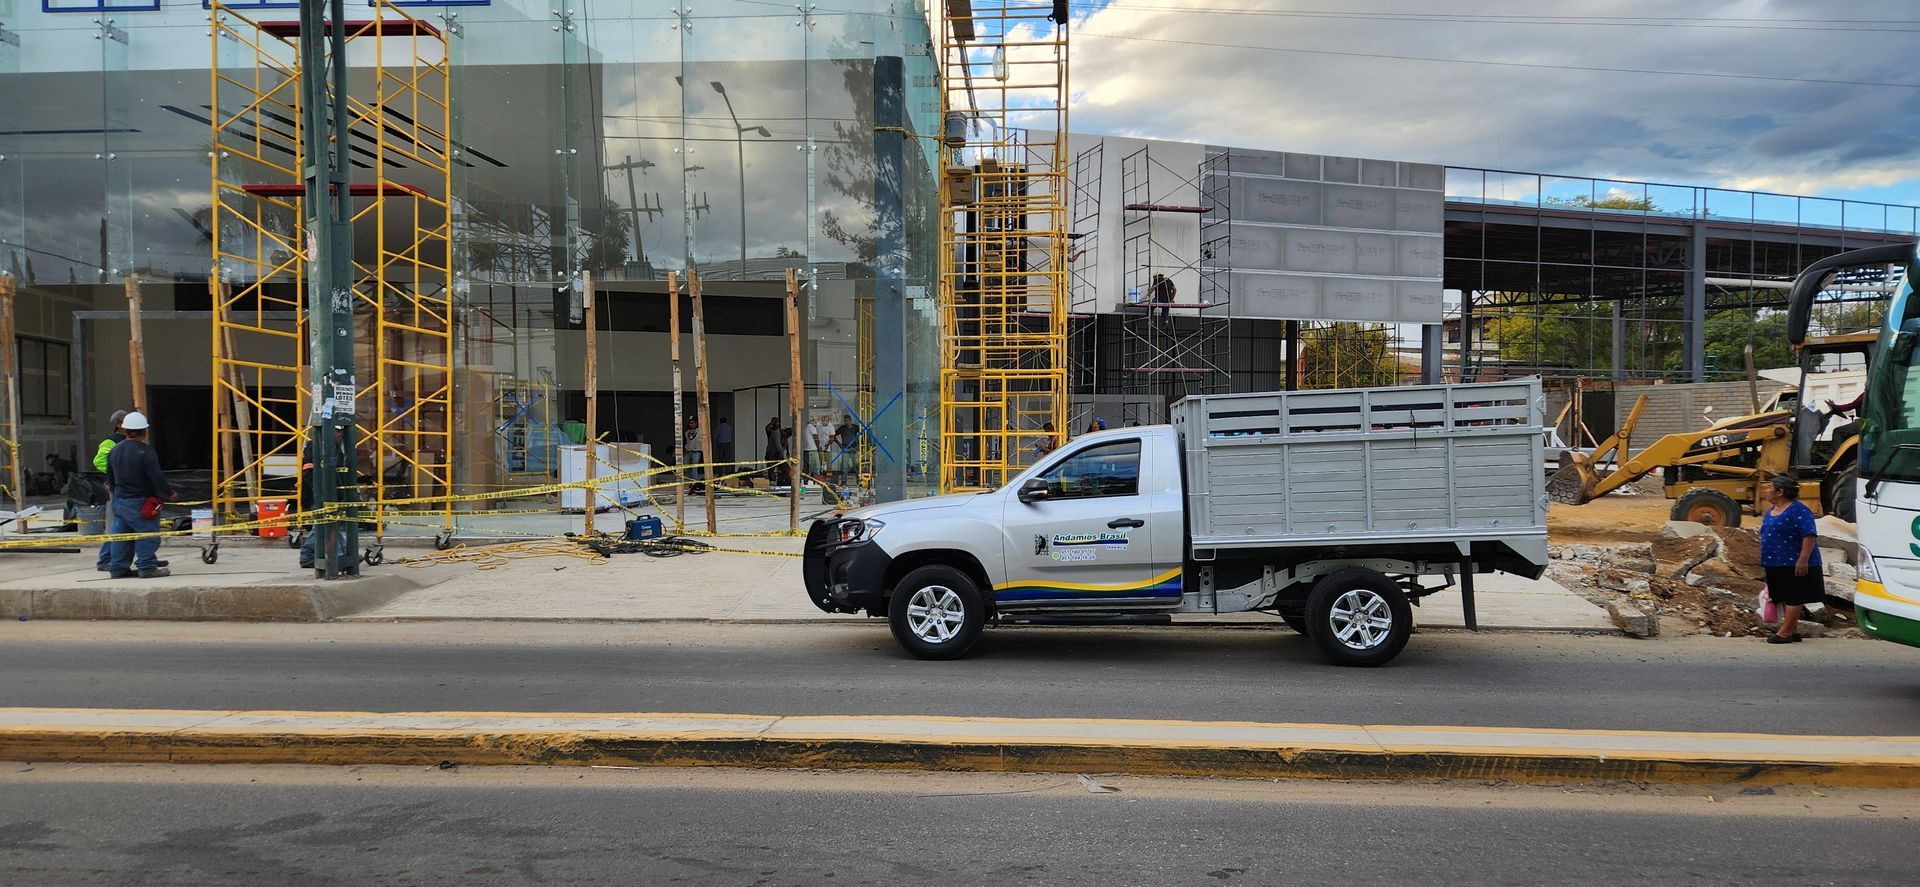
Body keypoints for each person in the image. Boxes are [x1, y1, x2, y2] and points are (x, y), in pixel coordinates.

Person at [104, 411, 174, 579]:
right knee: (147, 533)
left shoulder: (115, 451)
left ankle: (118, 568)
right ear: (144, 431)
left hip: (120, 501)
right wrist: (168, 493)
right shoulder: (145, 451)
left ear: (126, 430)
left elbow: (110, 476)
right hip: (141, 502)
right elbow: (156, 476)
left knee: (121, 535)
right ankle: (147, 566)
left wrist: (116, 492)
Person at [1759, 475, 1823, 644]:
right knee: (1784, 596)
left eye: (1770, 487)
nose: (1766, 490)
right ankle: (1793, 631)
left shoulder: (1798, 510)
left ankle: (1785, 632)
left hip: (1793, 562)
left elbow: (1808, 534)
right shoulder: (1770, 511)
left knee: (1795, 595)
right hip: (1775, 561)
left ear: (1780, 492)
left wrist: (1803, 559)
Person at [298, 428, 352, 570]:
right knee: (322, 525)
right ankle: (308, 555)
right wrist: (320, 493)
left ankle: (341, 553)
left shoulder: (335, 448)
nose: (339, 434)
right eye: (336, 431)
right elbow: (308, 473)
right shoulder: (315, 446)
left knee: (331, 524)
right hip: (319, 495)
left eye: (341, 432)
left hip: (333, 494)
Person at [92, 409, 131, 572]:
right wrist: (114, 476)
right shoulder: (111, 442)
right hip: (119, 488)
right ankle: (105, 559)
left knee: (129, 524)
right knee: (118, 524)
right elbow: (99, 461)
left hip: (127, 488)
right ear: (119, 424)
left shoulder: (130, 440)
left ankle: (147, 558)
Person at [764, 416, 788, 485]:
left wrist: (784, 452)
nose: (777, 424)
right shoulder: (772, 431)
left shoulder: (779, 431)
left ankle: (781, 481)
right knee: (771, 470)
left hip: (776, 453)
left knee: (782, 469)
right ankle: (773, 482)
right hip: (772, 453)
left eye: (778, 422)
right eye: (776, 423)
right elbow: (767, 428)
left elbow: (785, 442)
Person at [683, 414, 704, 489]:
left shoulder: (700, 430)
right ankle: (691, 479)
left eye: (693, 422)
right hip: (688, 451)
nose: (691, 424)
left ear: (696, 423)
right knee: (685, 466)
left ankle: (694, 482)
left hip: (696, 451)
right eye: (690, 423)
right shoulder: (687, 432)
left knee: (694, 467)